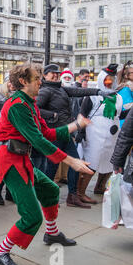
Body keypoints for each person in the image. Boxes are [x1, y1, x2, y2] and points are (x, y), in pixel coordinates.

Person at [0, 63, 93, 265]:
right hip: (11, 162)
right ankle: (0, 252)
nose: (41, 81)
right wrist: (71, 160)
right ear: (23, 81)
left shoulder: (29, 102)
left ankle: (52, 233)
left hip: (22, 159)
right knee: (32, 216)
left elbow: (47, 133)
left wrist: (76, 125)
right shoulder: (18, 105)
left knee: (50, 188)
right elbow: (38, 140)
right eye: (37, 78)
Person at [36, 64, 115, 208]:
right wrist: (52, 115)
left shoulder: (60, 88)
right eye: (52, 73)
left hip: (65, 133)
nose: (55, 75)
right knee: (52, 167)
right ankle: (46, 198)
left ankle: (72, 197)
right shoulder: (45, 91)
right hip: (54, 134)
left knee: (76, 164)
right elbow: (35, 109)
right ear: (45, 75)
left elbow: (79, 91)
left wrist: (98, 92)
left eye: (57, 73)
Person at [77, 64, 128, 201]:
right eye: (107, 79)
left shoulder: (118, 97)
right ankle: (80, 193)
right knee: (92, 162)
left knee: (109, 162)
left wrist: (129, 111)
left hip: (112, 137)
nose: (109, 82)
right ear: (101, 79)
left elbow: (119, 115)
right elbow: (82, 114)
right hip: (95, 135)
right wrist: (81, 133)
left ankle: (99, 187)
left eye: (111, 79)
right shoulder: (93, 95)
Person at [117, 61, 133, 127]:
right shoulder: (125, 89)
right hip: (126, 125)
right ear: (126, 76)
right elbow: (128, 106)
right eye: (132, 73)